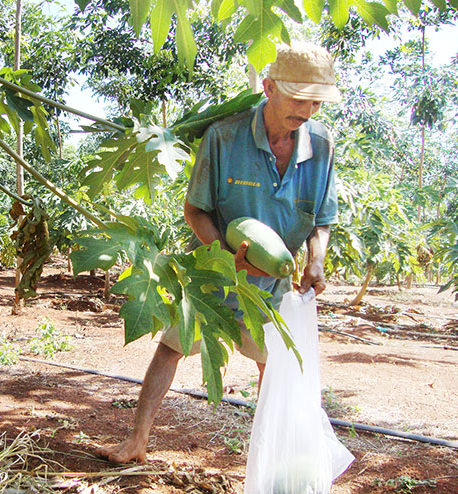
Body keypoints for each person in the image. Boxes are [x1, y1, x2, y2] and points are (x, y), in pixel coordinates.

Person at [96, 41, 342, 464]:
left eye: (316, 101)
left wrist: (316, 259)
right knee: (172, 347)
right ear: (268, 88)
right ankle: (136, 440)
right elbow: (196, 209)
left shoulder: (321, 145)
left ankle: (271, 459)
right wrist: (223, 257)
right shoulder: (224, 137)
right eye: (299, 99)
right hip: (211, 272)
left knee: (274, 367)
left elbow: (321, 217)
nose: (307, 111)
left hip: (272, 283)